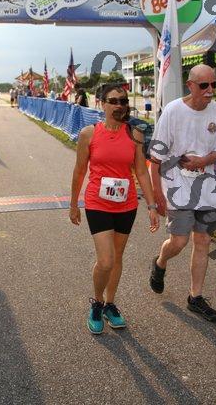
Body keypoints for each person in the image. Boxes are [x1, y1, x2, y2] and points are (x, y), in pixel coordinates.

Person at [69, 83, 159, 334]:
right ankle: (97, 303)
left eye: (123, 101)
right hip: (97, 203)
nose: (120, 106)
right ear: (102, 104)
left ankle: (110, 304)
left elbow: (141, 171)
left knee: (117, 257)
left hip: (126, 204)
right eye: (114, 101)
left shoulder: (135, 134)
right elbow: (79, 171)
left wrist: (152, 205)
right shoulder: (88, 134)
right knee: (106, 260)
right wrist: (74, 204)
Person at [149, 64, 216, 323]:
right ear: (190, 85)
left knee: (203, 240)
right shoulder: (173, 111)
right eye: (204, 85)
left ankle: (195, 297)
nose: (210, 90)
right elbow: (155, 158)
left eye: (214, 84)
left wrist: (202, 161)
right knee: (179, 242)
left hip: (206, 188)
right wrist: (157, 195)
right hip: (177, 187)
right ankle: (160, 262)